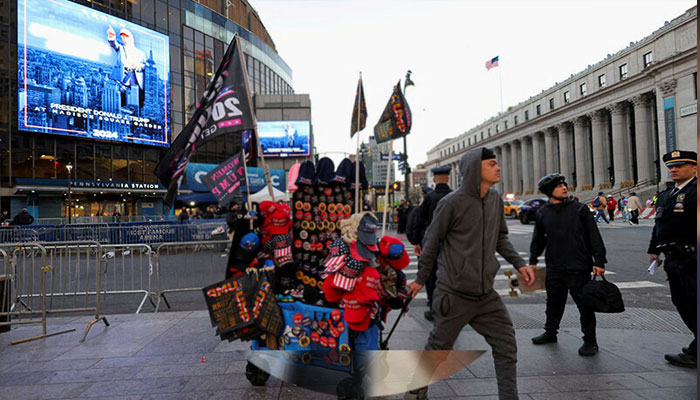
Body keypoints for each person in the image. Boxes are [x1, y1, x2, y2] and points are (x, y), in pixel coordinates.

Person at [405, 148, 534, 400]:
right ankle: (415, 390)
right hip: (454, 293)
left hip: (486, 295)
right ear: (476, 169)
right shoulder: (451, 202)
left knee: (506, 345)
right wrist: (420, 279)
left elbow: (501, 238)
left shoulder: (495, 200)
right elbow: (431, 241)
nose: (498, 168)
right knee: (438, 348)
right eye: (492, 164)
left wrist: (520, 264)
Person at [527, 173, 607, 356]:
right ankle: (550, 332)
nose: (564, 188)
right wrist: (532, 261)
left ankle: (590, 341)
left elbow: (594, 236)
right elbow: (538, 240)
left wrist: (599, 260)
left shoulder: (580, 209)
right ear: (549, 191)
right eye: (558, 186)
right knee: (553, 303)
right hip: (554, 267)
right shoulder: (542, 213)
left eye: (564, 185)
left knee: (584, 305)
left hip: (578, 267)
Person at [647, 150, 696, 368]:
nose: (674, 169)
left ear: (694, 167)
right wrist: (654, 251)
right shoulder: (666, 195)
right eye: (671, 167)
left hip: (694, 259)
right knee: (682, 302)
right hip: (674, 260)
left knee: (695, 304)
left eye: (680, 165)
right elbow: (659, 225)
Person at [412, 165, 453, 321]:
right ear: (448, 178)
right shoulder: (455, 196)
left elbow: (420, 220)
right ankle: (450, 307)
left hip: (432, 242)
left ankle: (433, 307)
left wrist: (417, 242)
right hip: (451, 244)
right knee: (450, 275)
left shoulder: (429, 198)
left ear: (435, 179)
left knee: (431, 275)